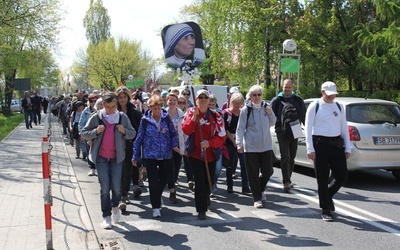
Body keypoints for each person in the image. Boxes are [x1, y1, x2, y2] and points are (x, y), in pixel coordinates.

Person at [81, 92, 136, 229]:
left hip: (117, 158)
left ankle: (115, 206)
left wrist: (124, 131)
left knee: (117, 187)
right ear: (103, 106)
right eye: (108, 107)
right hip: (101, 158)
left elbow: (133, 132)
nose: (111, 110)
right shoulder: (97, 117)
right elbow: (84, 132)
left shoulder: (122, 117)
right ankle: (106, 216)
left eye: (113, 106)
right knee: (105, 187)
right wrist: (95, 131)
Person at [305, 81, 351, 221]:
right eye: (329, 94)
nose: (332, 97)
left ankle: (327, 196)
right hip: (320, 144)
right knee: (323, 178)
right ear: (322, 92)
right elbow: (307, 128)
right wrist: (310, 148)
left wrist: (347, 147)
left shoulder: (339, 106)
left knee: (342, 176)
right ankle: (325, 209)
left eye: (334, 95)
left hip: (336, 144)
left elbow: (344, 128)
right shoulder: (315, 106)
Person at [182, 89, 226, 220]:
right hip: (195, 154)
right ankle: (201, 210)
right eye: (200, 97)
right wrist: (194, 119)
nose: (202, 99)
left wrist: (209, 143)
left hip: (211, 154)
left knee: (209, 181)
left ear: (209, 101)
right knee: (200, 182)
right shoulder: (190, 112)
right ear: (196, 100)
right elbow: (185, 129)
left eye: (205, 98)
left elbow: (222, 136)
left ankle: (206, 196)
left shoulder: (216, 116)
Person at [132, 95, 178, 218]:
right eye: (155, 108)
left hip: (165, 154)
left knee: (164, 178)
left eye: (159, 108)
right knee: (153, 181)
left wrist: (174, 146)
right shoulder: (145, 120)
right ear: (150, 107)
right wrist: (135, 155)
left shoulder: (166, 118)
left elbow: (173, 134)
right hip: (150, 155)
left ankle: (157, 196)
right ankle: (156, 207)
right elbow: (139, 138)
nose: (157, 111)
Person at [235, 85, 276, 209]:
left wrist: (270, 113)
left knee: (268, 171)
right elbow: (240, 128)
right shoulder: (246, 110)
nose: (257, 97)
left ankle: (260, 189)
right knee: (253, 173)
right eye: (254, 95)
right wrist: (239, 143)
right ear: (250, 96)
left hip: (266, 145)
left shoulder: (266, 107)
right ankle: (257, 198)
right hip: (251, 146)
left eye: (259, 94)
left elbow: (273, 122)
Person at [270, 79, 306, 192]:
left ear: (293, 88)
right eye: (285, 87)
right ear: (282, 87)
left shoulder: (298, 100)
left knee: (292, 156)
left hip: (295, 130)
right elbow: (270, 115)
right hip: (281, 131)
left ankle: (288, 179)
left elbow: (304, 116)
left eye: (289, 87)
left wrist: (308, 130)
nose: (287, 89)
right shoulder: (277, 100)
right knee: (285, 156)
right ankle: (286, 181)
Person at [115, 87, 143, 212]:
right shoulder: (113, 111)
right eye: (120, 97)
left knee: (128, 168)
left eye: (124, 97)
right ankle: (120, 192)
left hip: (131, 143)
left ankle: (124, 195)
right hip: (116, 144)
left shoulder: (134, 111)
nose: (122, 99)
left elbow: (140, 128)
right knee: (118, 169)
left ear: (128, 98)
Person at [222, 92, 251, 194]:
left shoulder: (243, 112)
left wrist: (239, 142)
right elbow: (225, 129)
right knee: (230, 162)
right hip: (229, 140)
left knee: (244, 162)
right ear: (231, 103)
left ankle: (245, 185)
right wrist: (234, 141)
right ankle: (229, 184)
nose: (237, 106)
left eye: (239, 103)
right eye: (235, 103)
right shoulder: (226, 113)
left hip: (241, 139)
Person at [165, 93, 185, 203]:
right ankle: (172, 191)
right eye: (170, 100)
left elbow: (184, 131)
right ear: (166, 101)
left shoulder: (181, 114)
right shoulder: (163, 114)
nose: (172, 102)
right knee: (170, 167)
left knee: (176, 167)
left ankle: (172, 181)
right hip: (166, 146)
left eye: (174, 100)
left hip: (179, 144)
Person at [78, 94, 100, 176]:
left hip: (99, 134)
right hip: (89, 134)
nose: (93, 103)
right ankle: (92, 168)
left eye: (95, 101)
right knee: (90, 151)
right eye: (91, 101)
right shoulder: (86, 111)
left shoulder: (102, 110)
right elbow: (81, 123)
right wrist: (82, 134)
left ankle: (100, 168)